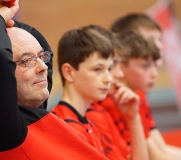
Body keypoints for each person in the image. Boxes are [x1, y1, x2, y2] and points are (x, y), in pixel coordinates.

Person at [0, 0, 109, 159]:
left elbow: (38, 44)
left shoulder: (35, 110)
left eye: (41, 57)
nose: (43, 67)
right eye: (26, 61)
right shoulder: (2, 128)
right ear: (5, 73)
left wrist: (2, 17)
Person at [52, 25, 148, 160]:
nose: (108, 79)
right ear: (69, 72)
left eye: (109, 69)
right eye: (97, 70)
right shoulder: (67, 129)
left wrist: (133, 118)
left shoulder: (88, 121)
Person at [107, 13, 181, 159]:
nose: (159, 46)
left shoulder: (137, 94)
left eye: (160, 39)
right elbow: (155, 155)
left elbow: (160, 149)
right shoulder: (112, 100)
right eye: (151, 39)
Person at [83, 25, 149, 160]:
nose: (120, 74)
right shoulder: (93, 113)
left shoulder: (102, 111)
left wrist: (133, 118)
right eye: (112, 66)